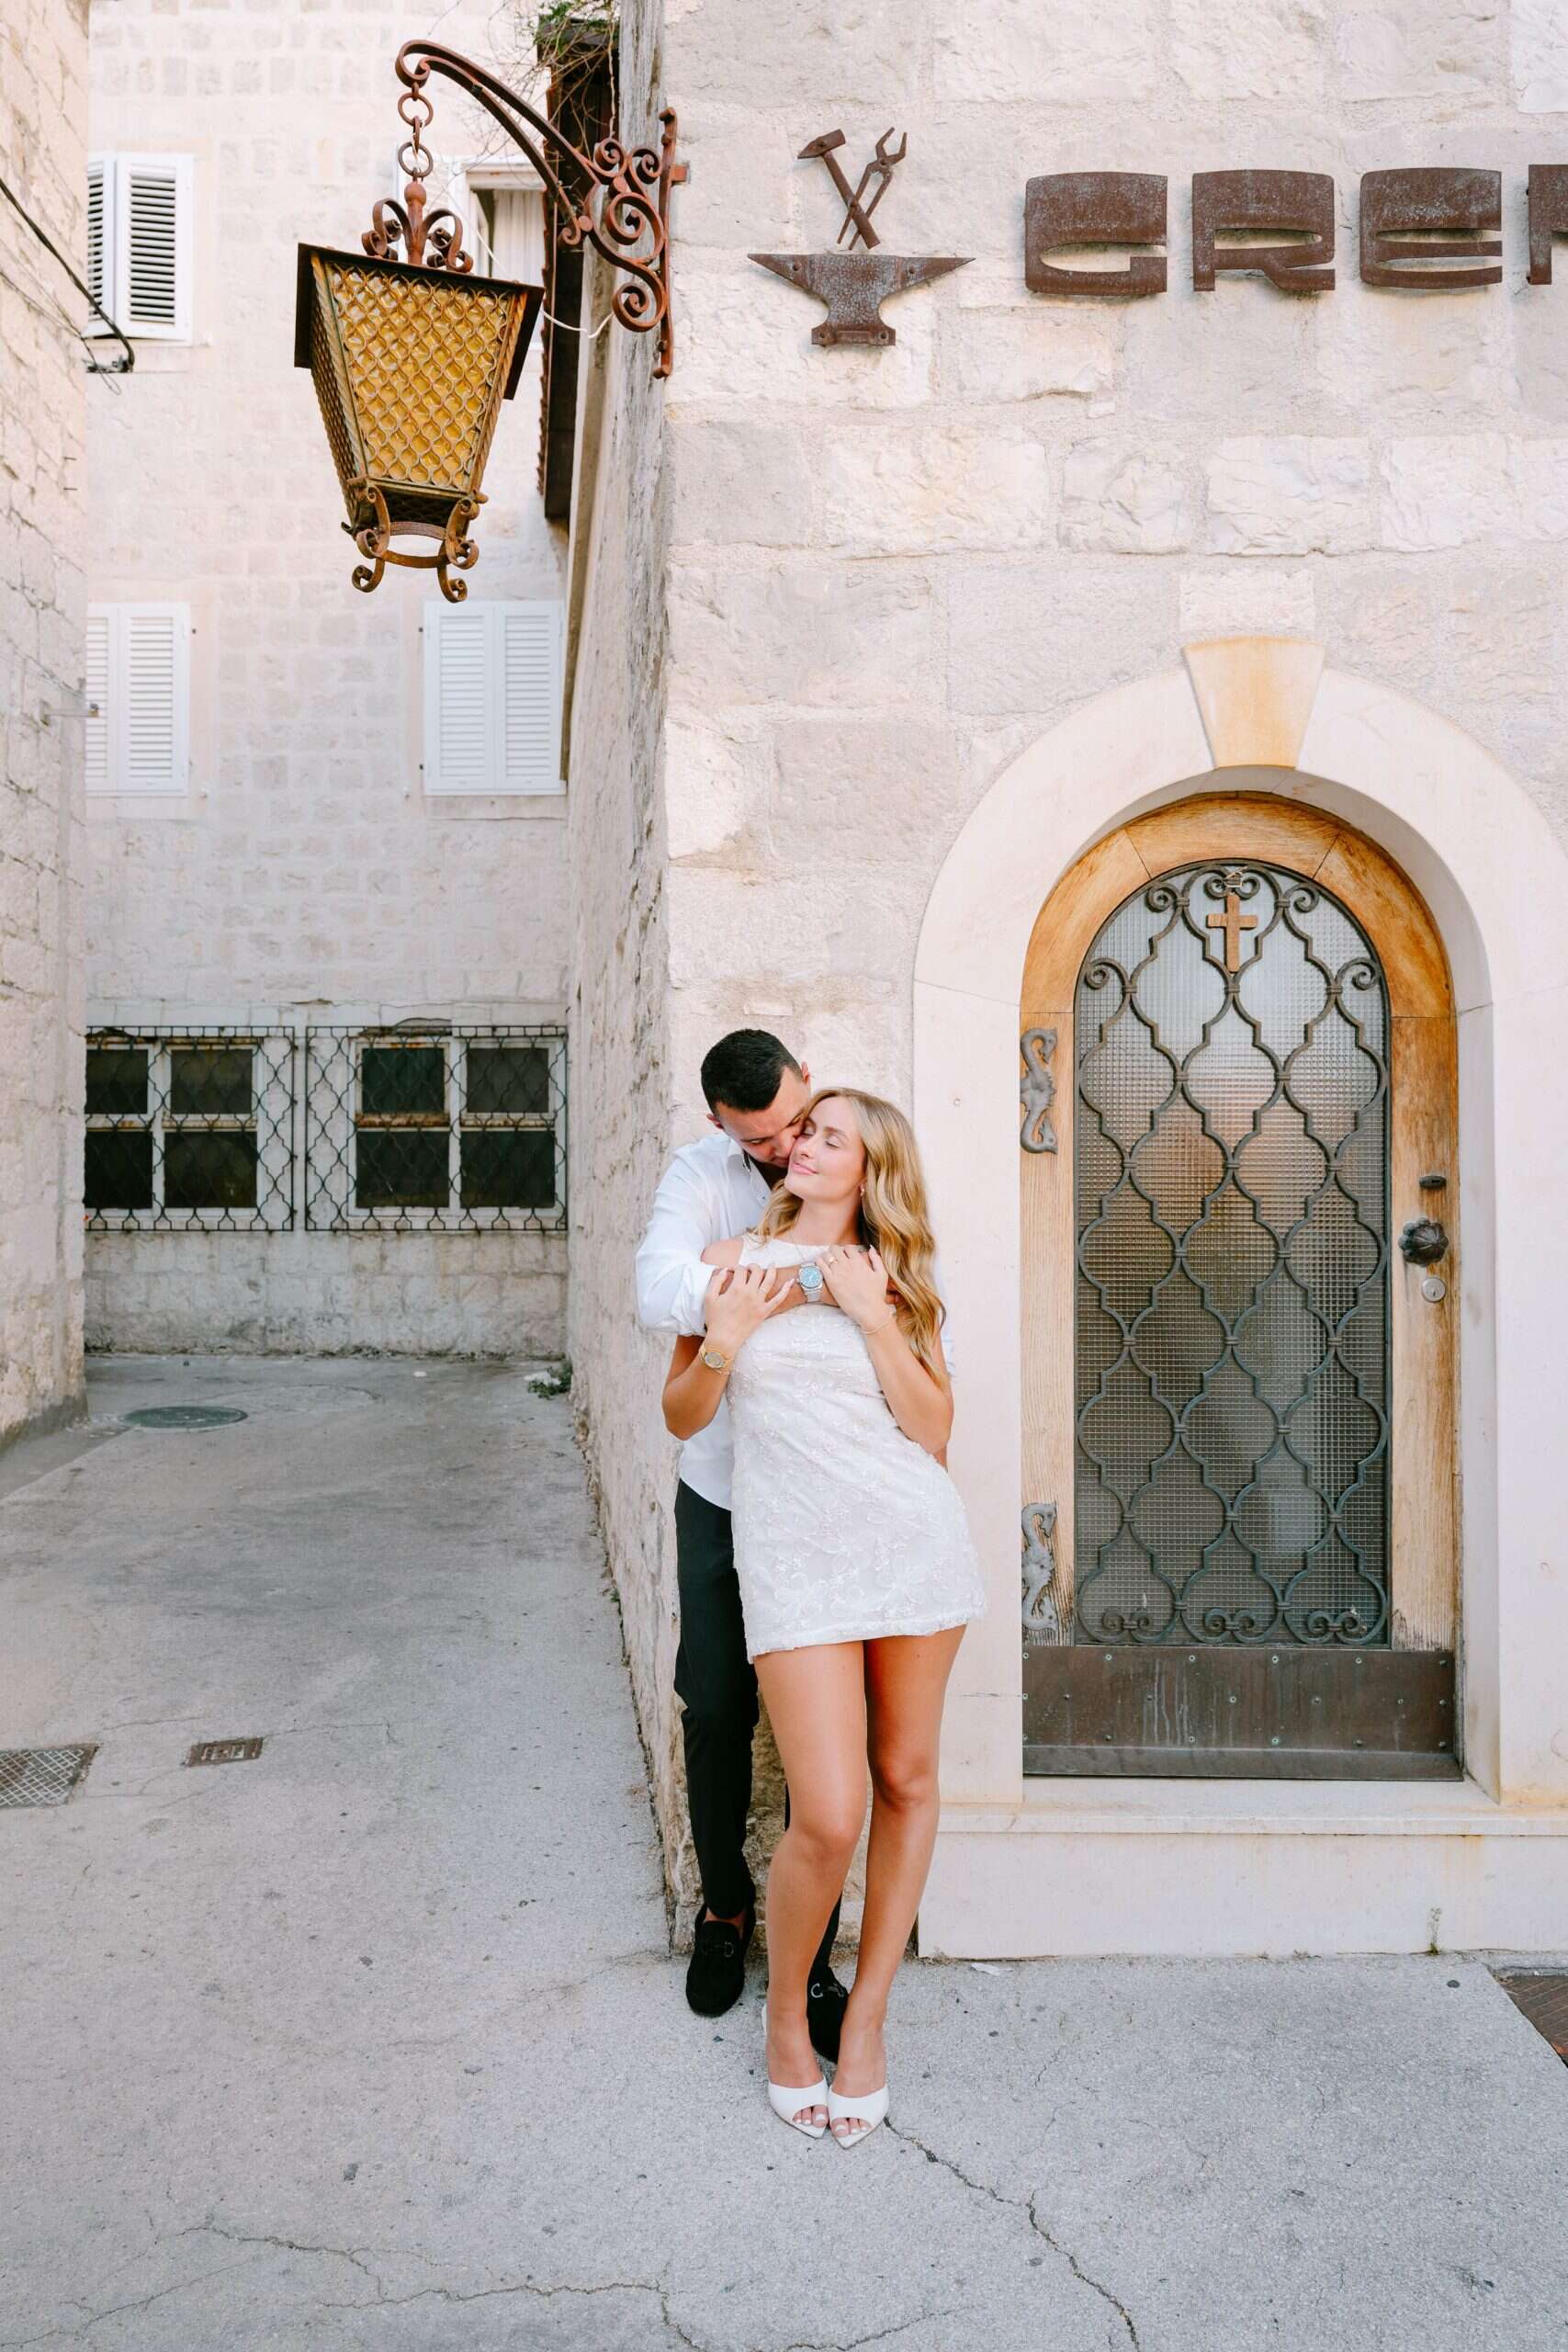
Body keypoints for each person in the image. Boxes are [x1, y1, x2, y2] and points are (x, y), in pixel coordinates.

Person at [660, 1089, 987, 2147]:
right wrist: (729, 1336)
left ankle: (868, 2024)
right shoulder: (728, 1261)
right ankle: (787, 2017)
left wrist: (872, 1315)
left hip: (909, 1546)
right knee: (831, 1811)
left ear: (868, 1167)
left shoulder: (893, 1276)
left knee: (906, 1779)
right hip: (794, 1555)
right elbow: (683, 1414)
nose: (801, 1143)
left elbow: (932, 1429)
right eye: (803, 1131)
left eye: (827, 1135)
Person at [635, 1031, 852, 2056]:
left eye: (793, 1127)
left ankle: (815, 1952)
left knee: (828, 1733)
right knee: (716, 1702)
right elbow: (657, 1290)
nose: (782, 1150)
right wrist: (747, 1282)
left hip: (824, 1496)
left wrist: (757, 1271)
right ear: (723, 1122)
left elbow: (899, 1269)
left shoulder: (849, 1142)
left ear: (808, 1079)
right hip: (722, 1490)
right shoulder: (698, 1176)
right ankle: (725, 1906)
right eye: (759, 1138)